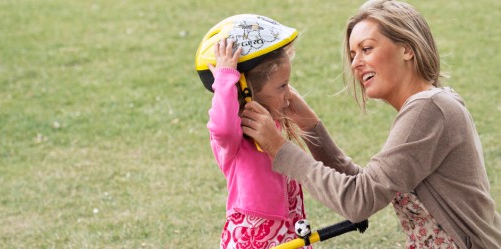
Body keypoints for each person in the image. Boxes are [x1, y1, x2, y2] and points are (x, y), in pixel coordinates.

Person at [240, 1, 501, 248]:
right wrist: (310, 127)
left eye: (367, 49)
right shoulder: (428, 106)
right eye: (353, 55)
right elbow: (369, 185)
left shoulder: (428, 110)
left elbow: (358, 200)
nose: (355, 63)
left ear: (407, 49)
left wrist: (278, 147)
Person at [194, 14, 312, 249]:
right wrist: (226, 79)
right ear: (247, 93)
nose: (289, 93)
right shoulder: (234, 137)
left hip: (288, 228)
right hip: (252, 235)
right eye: (282, 86)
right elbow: (222, 127)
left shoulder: (271, 124)